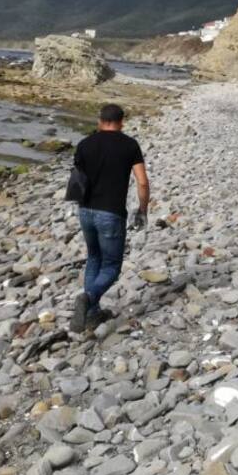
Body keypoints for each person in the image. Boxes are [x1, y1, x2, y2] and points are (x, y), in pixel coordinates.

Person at [70, 103, 150, 332]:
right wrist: (142, 209)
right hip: (111, 213)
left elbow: (77, 180)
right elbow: (142, 182)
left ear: (100, 120)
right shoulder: (130, 145)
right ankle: (88, 298)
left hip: (85, 211)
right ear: (121, 122)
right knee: (112, 266)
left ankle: (91, 314)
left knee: (94, 258)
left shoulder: (84, 144)